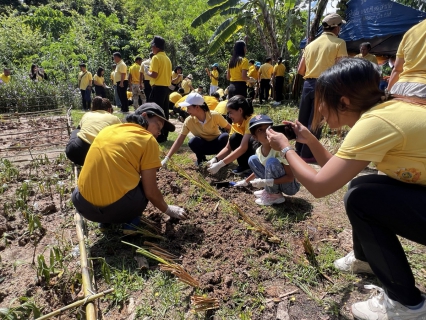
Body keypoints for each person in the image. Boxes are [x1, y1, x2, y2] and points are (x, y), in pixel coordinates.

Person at [267, 58, 426, 320]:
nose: (318, 107)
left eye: (322, 100)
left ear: (344, 101)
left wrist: (285, 148)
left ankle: (406, 304)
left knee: (361, 198)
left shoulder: (377, 123)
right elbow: (335, 171)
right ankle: (366, 259)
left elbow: (320, 186)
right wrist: (310, 140)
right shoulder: (386, 111)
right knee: (361, 186)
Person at [71, 103, 187, 234]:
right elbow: (151, 191)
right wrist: (168, 209)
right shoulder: (147, 139)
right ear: (144, 116)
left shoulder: (108, 130)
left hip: (83, 206)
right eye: (158, 126)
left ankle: (104, 223)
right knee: (143, 184)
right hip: (119, 210)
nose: (159, 133)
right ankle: (130, 224)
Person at [296, 13, 347, 163]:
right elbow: (340, 68)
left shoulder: (310, 45)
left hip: (308, 85)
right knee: (316, 121)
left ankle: (298, 150)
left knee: (303, 119)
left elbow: (300, 70)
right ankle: (307, 154)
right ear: (337, 28)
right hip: (325, 84)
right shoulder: (339, 43)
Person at [234, 115, 299, 206]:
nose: (266, 132)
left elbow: (290, 177)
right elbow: (261, 169)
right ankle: (269, 191)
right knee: (252, 159)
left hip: (289, 186)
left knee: (271, 162)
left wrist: (266, 182)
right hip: (276, 182)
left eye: (268, 128)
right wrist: (246, 181)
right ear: (255, 137)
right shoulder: (259, 151)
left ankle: (274, 195)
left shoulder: (279, 150)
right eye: (260, 130)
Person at [162, 93, 231, 166]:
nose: (187, 111)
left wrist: (230, 145)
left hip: (217, 144)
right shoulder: (189, 121)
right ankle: (201, 159)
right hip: (203, 146)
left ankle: (221, 158)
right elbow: (179, 140)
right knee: (193, 141)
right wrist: (167, 158)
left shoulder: (214, 115)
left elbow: (230, 129)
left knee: (225, 137)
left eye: (189, 108)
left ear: (197, 107)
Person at [207, 95, 256, 175]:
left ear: (240, 110)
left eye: (230, 112)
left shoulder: (251, 120)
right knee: (234, 138)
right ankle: (245, 166)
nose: (229, 116)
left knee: (251, 140)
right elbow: (228, 147)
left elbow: (243, 148)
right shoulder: (235, 124)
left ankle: (255, 168)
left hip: (261, 154)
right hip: (250, 152)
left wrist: (220, 164)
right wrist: (215, 159)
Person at [65, 97, 121, 166]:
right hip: (99, 157)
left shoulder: (87, 114)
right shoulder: (114, 118)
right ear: (109, 110)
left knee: (77, 131)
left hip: (75, 153)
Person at [144, 36, 172, 143]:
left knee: (154, 112)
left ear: (156, 47)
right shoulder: (167, 59)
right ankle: (164, 135)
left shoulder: (156, 58)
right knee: (164, 112)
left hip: (157, 88)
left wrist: (147, 72)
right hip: (165, 89)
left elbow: (154, 75)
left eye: (152, 46)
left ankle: (157, 134)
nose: (152, 48)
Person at [388, 19, 426, 98]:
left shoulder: (410, 32)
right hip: (422, 91)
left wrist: (388, 92)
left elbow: (397, 69)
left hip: (399, 87)